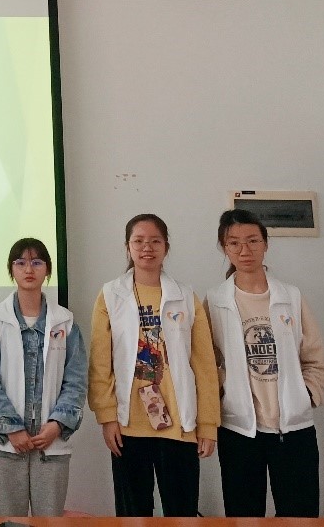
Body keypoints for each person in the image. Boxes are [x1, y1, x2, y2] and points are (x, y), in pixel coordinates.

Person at [88, 213, 219, 516]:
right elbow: (100, 363)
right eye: (139, 241)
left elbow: (204, 366)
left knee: (182, 513)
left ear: (166, 247)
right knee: (133, 514)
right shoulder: (110, 295)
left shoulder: (185, 296)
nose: (147, 248)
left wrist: (208, 423)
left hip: (179, 425)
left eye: (155, 241)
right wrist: (107, 416)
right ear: (128, 247)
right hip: (128, 425)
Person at [206, 208, 324, 516]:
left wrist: (305, 394)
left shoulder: (291, 296)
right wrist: (224, 392)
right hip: (239, 429)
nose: (244, 250)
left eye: (252, 240)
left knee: (300, 515)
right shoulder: (214, 301)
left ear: (265, 244)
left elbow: (316, 358)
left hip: (293, 429)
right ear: (224, 248)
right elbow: (205, 364)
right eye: (234, 243)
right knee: (243, 514)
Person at [0, 237, 88, 516]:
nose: (29, 269)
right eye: (21, 263)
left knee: (49, 522)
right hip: (5, 445)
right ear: (11, 270)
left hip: (51, 443)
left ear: (47, 270)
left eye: (37, 262)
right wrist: (12, 428)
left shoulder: (66, 322)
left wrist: (57, 425)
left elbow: (76, 381)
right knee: (8, 522)